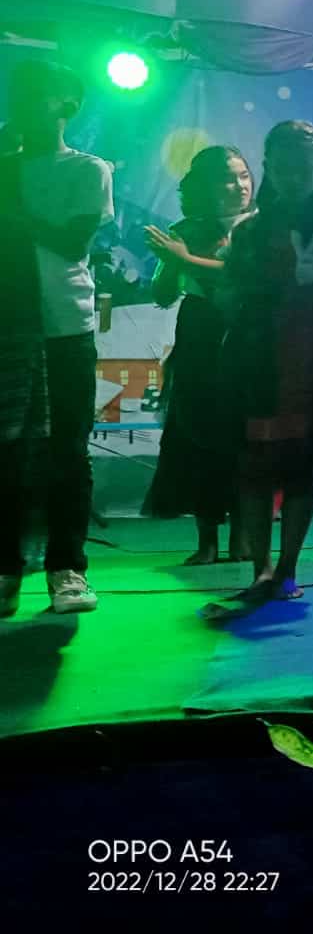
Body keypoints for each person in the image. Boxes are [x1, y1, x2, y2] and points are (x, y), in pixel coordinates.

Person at [213, 120, 313, 611]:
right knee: (253, 463)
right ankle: (260, 569)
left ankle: (289, 568)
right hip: (253, 351)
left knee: (303, 465)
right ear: (269, 168)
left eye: (303, 167)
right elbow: (228, 295)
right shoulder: (247, 230)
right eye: (282, 166)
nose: (292, 176)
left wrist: (262, 288)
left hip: (312, 355)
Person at [0, 61, 111, 617]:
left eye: (39, 95)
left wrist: (16, 215)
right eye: (19, 93)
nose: (24, 103)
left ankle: (67, 568)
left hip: (66, 325)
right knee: (5, 453)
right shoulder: (3, 168)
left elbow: (72, 243)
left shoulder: (88, 170)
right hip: (7, 328)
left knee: (68, 450)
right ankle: (5, 570)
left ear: (68, 105)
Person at [143, 145, 255, 563]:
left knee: (244, 435)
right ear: (206, 185)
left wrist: (184, 258)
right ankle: (206, 540)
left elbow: (244, 277)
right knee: (199, 434)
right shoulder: (184, 229)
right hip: (199, 331)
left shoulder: (260, 227)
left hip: (246, 332)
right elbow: (162, 294)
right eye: (228, 178)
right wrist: (172, 263)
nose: (239, 186)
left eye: (244, 175)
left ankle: (243, 537)